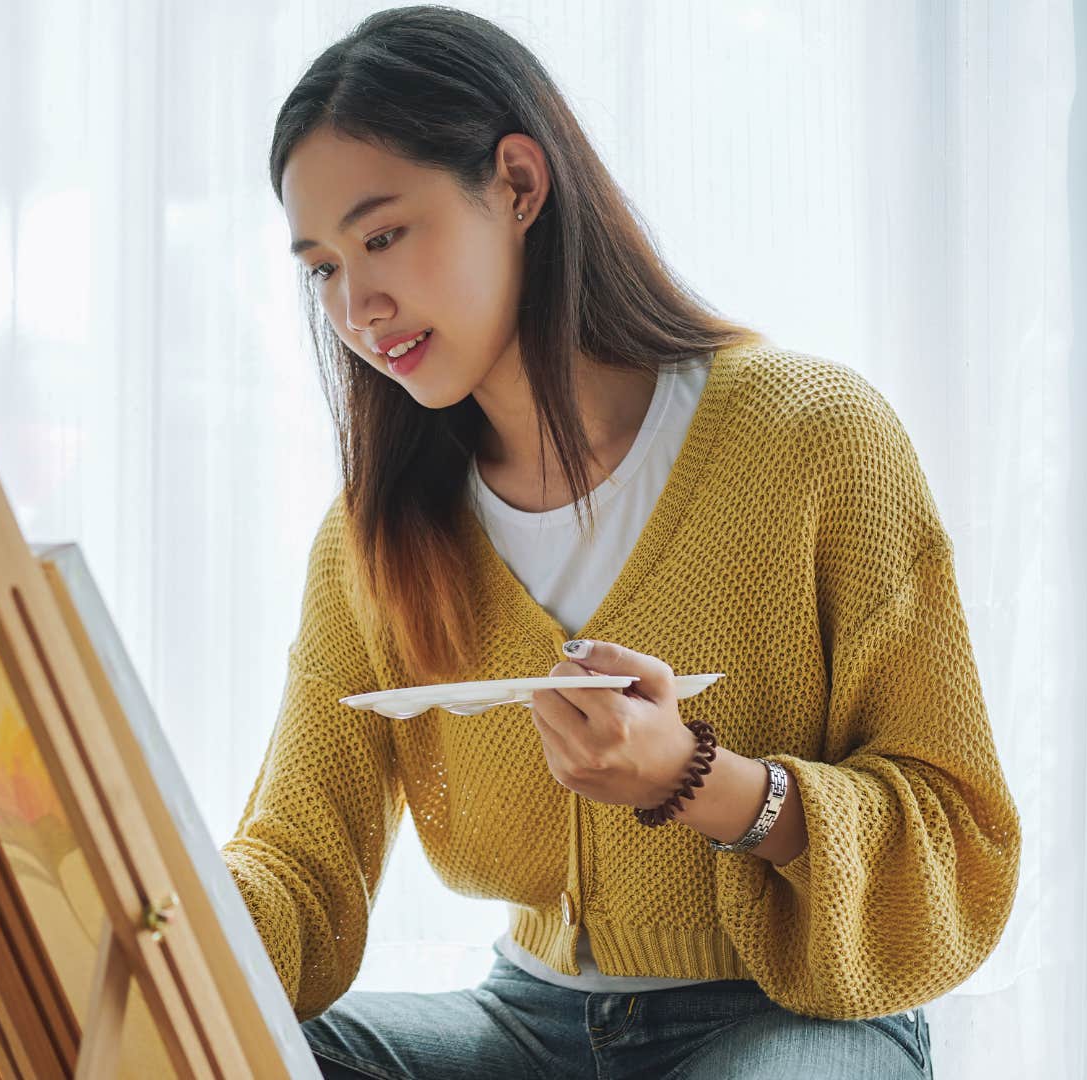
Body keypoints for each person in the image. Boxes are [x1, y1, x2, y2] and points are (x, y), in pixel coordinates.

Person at [220, 7, 1021, 1077]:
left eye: (381, 236)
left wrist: (700, 779)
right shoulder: (376, 537)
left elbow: (958, 841)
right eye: (320, 267)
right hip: (524, 1025)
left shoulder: (817, 441)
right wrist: (140, 894)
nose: (357, 306)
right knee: (223, 1055)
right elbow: (301, 872)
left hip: (792, 1020)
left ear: (516, 183)